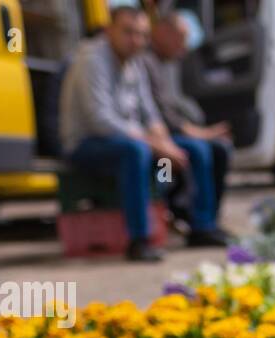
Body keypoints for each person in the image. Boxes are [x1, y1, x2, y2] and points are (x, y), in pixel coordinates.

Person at [59, 6, 228, 261]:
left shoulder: (135, 61)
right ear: (109, 30)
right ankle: (139, 239)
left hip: (129, 138)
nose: (136, 40)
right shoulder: (91, 59)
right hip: (87, 144)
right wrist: (156, 145)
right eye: (128, 32)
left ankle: (202, 226)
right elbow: (100, 121)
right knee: (136, 151)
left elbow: (150, 114)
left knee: (196, 149)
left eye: (141, 34)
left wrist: (166, 142)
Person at [139, 10, 232, 231]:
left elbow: (172, 106)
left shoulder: (166, 64)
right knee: (198, 150)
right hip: (150, 134)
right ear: (161, 32)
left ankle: (205, 217)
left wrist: (197, 126)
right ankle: (199, 224)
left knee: (220, 148)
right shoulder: (144, 61)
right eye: (180, 39)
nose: (184, 48)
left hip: (163, 131)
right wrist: (196, 132)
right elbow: (157, 111)